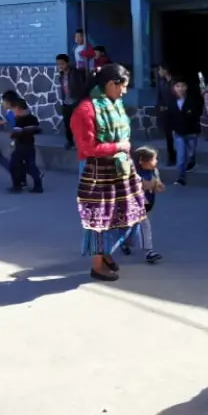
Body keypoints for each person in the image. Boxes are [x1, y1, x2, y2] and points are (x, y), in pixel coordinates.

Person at [72, 64, 148, 281]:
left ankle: (105, 254)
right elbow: (87, 148)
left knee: (117, 217)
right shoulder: (86, 110)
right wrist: (119, 147)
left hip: (117, 170)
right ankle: (96, 265)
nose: (124, 92)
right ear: (109, 84)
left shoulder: (114, 103)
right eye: (122, 87)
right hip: (95, 171)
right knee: (99, 218)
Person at [122, 147, 163, 264]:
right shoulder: (134, 175)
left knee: (135, 226)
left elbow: (156, 182)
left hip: (147, 203)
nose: (156, 162)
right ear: (142, 161)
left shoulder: (153, 171)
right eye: (153, 160)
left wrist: (158, 185)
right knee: (142, 225)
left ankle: (129, 243)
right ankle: (148, 251)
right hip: (136, 204)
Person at [8, 96, 45, 194]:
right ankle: (38, 185)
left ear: (18, 109)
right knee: (30, 165)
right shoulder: (32, 118)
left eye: (13, 109)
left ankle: (17, 185)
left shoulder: (20, 120)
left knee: (13, 165)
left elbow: (16, 133)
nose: (13, 112)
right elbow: (37, 129)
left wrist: (12, 135)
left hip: (21, 146)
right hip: (30, 145)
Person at [170, 78, 203, 186]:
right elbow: (169, 117)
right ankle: (181, 177)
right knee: (181, 155)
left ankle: (191, 161)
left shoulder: (192, 100)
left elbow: (197, 113)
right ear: (174, 88)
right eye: (177, 86)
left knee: (190, 153)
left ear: (186, 87)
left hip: (191, 132)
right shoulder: (171, 101)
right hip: (179, 133)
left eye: (182, 86)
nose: (180, 89)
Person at [57, 53, 85, 150]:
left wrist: (80, 100)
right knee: (67, 123)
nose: (60, 66)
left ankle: (80, 143)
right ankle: (70, 141)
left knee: (77, 123)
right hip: (66, 103)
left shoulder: (75, 73)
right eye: (58, 64)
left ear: (67, 63)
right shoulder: (61, 76)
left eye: (62, 64)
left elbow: (81, 86)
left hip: (75, 102)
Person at [155, 63, 178, 166]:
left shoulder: (175, 82)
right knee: (168, 136)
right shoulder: (161, 82)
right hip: (166, 112)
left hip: (176, 112)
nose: (159, 72)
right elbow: (160, 97)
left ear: (165, 70)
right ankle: (171, 156)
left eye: (160, 70)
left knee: (179, 135)